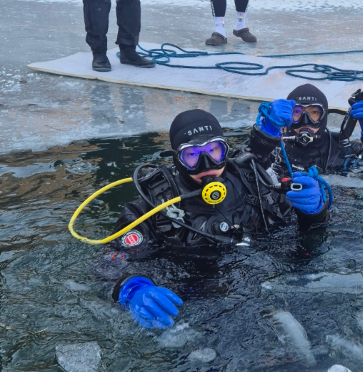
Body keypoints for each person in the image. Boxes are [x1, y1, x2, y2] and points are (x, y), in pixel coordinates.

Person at [99, 108, 329, 328]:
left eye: (214, 151)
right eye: (192, 155)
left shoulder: (253, 182)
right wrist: (131, 289)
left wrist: (314, 213)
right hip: (193, 303)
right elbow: (108, 265)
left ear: (225, 151)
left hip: (268, 287)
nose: (206, 164)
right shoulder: (153, 206)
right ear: (177, 159)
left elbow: (304, 239)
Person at [248, 83, 363, 176]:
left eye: (314, 113)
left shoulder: (348, 151)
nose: (305, 121)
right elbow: (244, 173)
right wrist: (264, 138)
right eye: (298, 112)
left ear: (324, 117)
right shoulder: (274, 151)